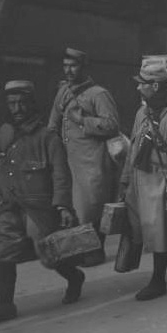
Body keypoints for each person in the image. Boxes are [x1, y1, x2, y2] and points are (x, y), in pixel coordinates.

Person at [0, 81, 85, 325]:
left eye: (22, 102)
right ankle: (5, 305)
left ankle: (74, 277)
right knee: (4, 253)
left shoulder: (48, 137)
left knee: (51, 255)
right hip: (8, 205)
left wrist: (63, 206)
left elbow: (61, 174)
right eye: (12, 103)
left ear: (31, 103)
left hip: (39, 209)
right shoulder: (3, 133)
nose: (17, 108)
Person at [118, 62, 167, 301]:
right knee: (144, 228)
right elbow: (132, 148)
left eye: (142, 84)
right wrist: (125, 181)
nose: (139, 88)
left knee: (159, 230)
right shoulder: (142, 113)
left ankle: (158, 279)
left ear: (156, 85)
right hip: (140, 179)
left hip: (163, 179)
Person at [48, 47, 120, 267]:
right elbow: (53, 124)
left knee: (90, 207)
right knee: (74, 207)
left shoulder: (98, 94)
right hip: (68, 160)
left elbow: (112, 125)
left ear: (84, 67)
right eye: (65, 66)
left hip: (93, 160)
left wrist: (82, 120)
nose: (69, 70)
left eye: (74, 65)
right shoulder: (62, 92)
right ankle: (83, 250)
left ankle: (94, 251)